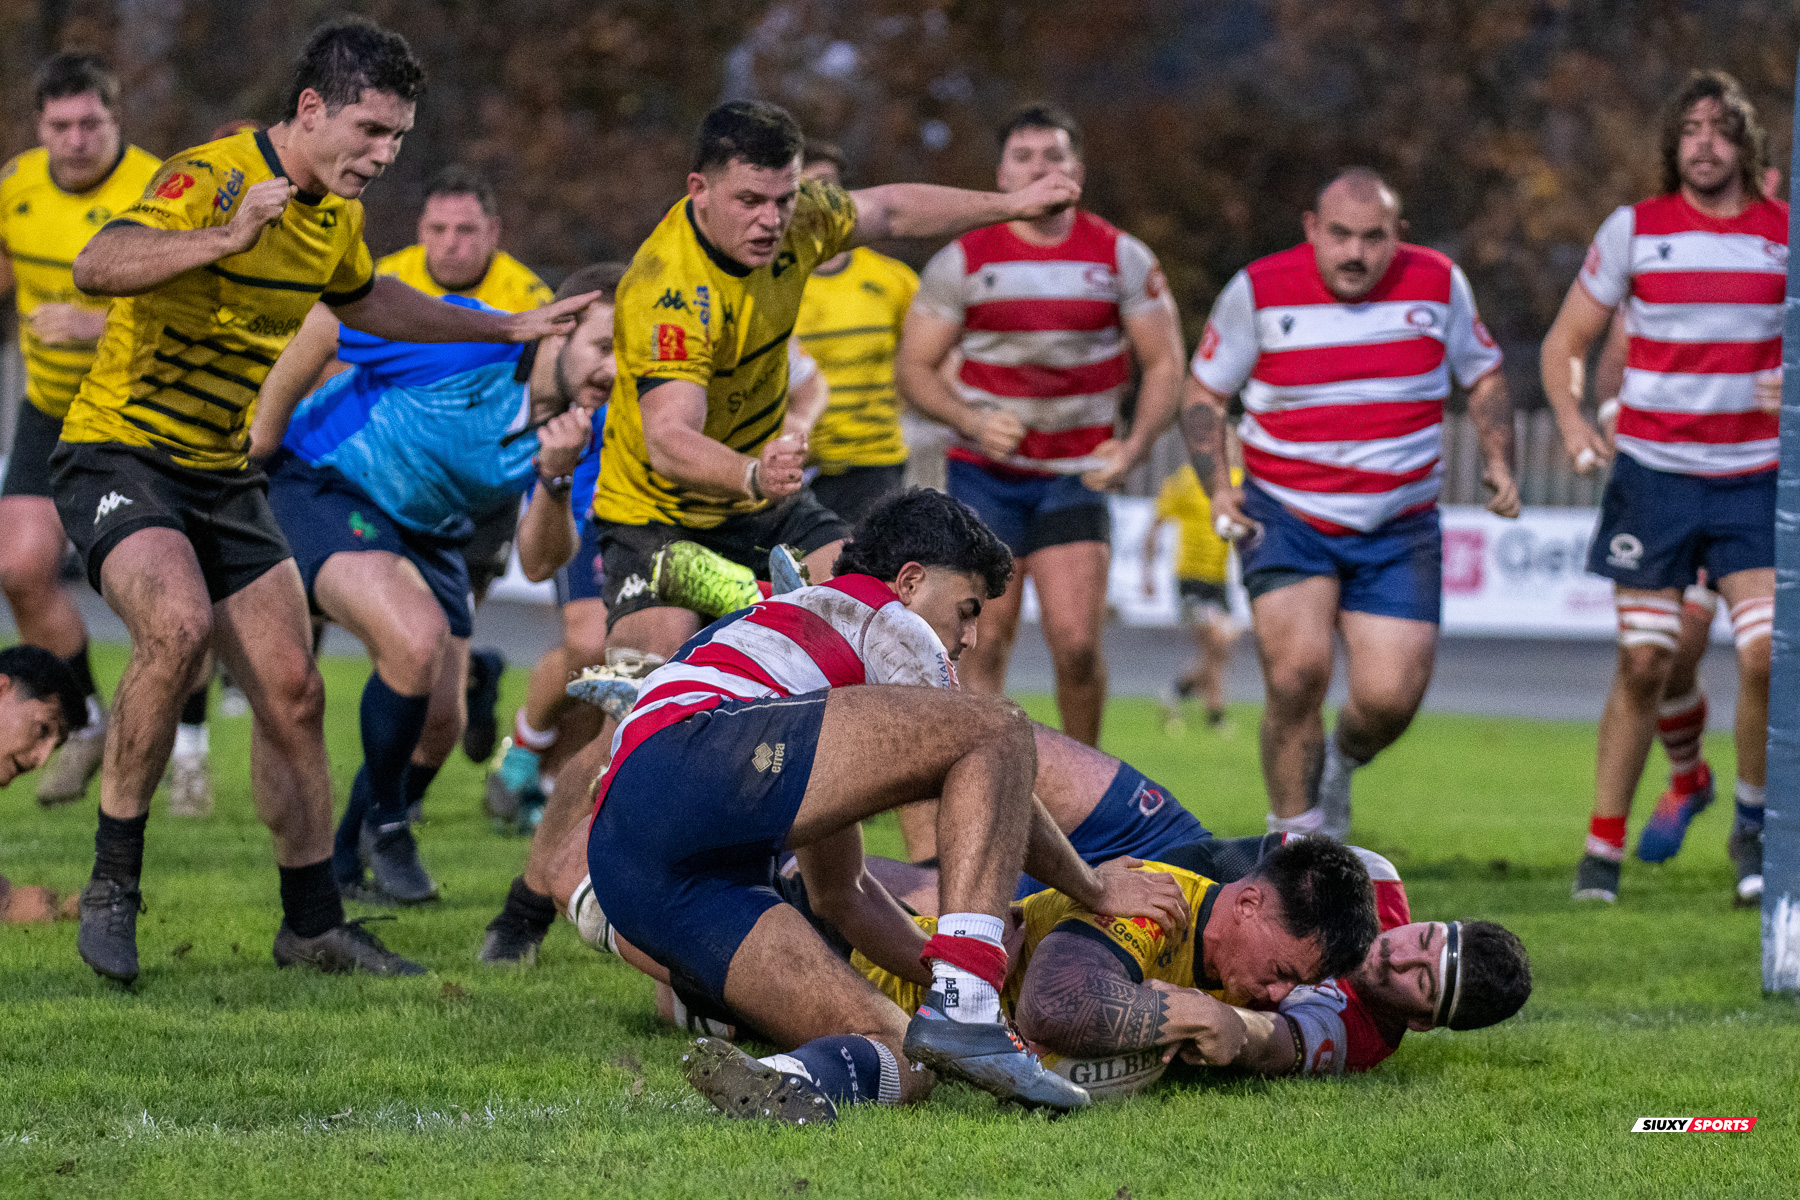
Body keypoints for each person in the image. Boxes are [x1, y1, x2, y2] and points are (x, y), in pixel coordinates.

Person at [54, 17, 598, 985]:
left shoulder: (333, 217)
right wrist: (225, 236)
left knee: (294, 692)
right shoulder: (214, 176)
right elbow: (100, 264)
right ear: (311, 110)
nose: (386, 157)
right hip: (119, 454)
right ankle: (112, 885)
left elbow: (367, 300)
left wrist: (503, 325)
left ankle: (311, 922)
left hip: (221, 475)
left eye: (397, 138)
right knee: (174, 629)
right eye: (373, 132)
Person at [489, 95, 1091, 966]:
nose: (772, 220)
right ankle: (527, 899)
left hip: (763, 498)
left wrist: (1008, 207)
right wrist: (746, 471)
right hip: (664, 517)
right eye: (750, 202)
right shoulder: (668, 287)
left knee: (896, 622)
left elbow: (887, 209)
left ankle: (931, 861)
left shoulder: (798, 220)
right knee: (645, 692)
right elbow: (668, 437)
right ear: (699, 191)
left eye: (782, 199)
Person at [591, 487, 1189, 1122]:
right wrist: (1093, 890)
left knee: (904, 1059)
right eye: (967, 609)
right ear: (909, 581)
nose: (970, 635)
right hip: (688, 759)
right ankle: (968, 1006)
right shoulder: (887, 617)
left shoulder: (814, 674)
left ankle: (779, 1080)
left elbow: (841, 893)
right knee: (999, 727)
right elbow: (993, 749)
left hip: (636, 865)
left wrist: (942, 981)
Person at [250, 265, 618, 905]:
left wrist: (556, 480)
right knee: (414, 641)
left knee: (440, 722)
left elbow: (539, 561)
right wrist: (264, 436)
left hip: (428, 526)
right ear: (559, 331)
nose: (614, 372)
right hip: (324, 479)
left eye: (631, 357)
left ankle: (347, 861)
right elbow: (325, 320)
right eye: (606, 348)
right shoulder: (470, 341)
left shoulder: (590, 429)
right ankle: (387, 829)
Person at [1182, 167, 1519, 841]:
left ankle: (1340, 759)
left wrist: (1499, 457)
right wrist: (1219, 486)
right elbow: (1203, 397)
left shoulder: (1439, 284)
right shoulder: (1256, 291)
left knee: (1389, 700)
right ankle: (1295, 844)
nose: (1355, 254)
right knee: (1298, 672)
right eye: (1340, 236)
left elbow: (1483, 375)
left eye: (1373, 238)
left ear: (1399, 235)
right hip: (1286, 513)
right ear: (1312, 228)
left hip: (1399, 526)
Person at [1539, 70, 1782, 906]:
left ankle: (1753, 829)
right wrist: (1574, 423)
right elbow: (1566, 340)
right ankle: (1601, 852)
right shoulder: (1636, 230)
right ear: (1671, 147)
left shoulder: (1784, 235)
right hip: (1655, 478)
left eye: (1720, 128)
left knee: (1765, 651)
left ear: (1746, 143)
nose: (1704, 143)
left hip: (1755, 481)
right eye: (1690, 130)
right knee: (1646, 661)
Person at [896, 103, 1186, 750]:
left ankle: (1086, 795)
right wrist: (969, 417)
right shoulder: (963, 260)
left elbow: (1166, 361)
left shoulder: (1120, 256)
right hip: (984, 478)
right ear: (1000, 175)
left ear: (1076, 171)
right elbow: (914, 369)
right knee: (985, 638)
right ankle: (982, 784)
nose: (1040, 168)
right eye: (1024, 157)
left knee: (1078, 644)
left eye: (1053, 156)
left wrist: (1135, 446)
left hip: (1074, 475)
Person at [0, 53, 219, 814]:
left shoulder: (159, 190)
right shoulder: (15, 186)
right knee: (21, 569)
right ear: (40, 126)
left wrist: (92, 323)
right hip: (48, 407)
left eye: (91, 122)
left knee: (171, 595)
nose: (76, 138)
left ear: (116, 121)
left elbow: (194, 311)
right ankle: (88, 718)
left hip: (137, 411)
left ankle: (189, 747)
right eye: (60, 125)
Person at [372, 164, 558, 766]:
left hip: (481, 489)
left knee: (446, 629)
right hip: (393, 478)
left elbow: (545, 397)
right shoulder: (382, 280)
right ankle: (469, 685)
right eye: (439, 228)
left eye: (466, 229)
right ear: (420, 229)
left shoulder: (528, 299)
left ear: (493, 231)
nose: (451, 242)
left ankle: (410, 766)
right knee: (402, 633)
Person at [792, 140, 918, 526]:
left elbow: (927, 365)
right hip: (797, 468)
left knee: (872, 581)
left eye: (827, 183)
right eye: (801, 186)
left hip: (876, 466)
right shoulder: (771, 284)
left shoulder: (894, 279)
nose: (816, 197)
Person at [1144, 462, 1244, 732]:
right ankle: (1216, 717)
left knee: (1219, 649)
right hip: (1190, 578)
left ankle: (1175, 691)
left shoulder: (1235, 479)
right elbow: (1155, 525)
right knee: (1216, 642)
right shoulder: (1185, 480)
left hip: (1219, 579)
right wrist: (1147, 572)